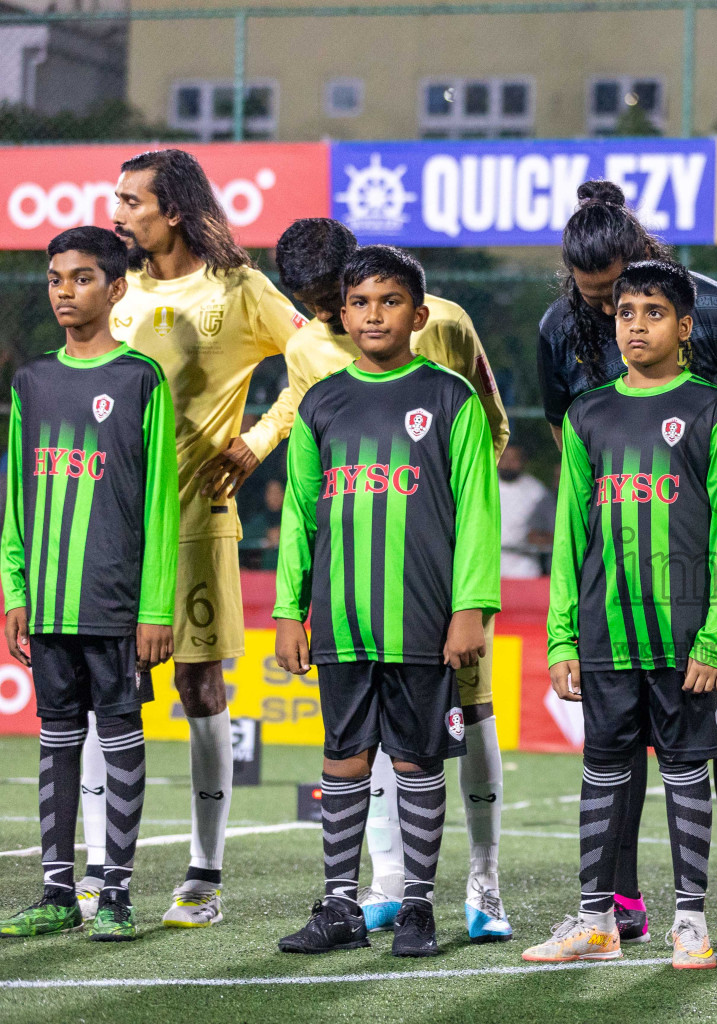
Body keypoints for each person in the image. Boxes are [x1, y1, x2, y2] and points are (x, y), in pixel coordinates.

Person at [247, 217, 514, 942]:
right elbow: (301, 513)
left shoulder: (451, 396)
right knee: (342, 755)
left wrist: (471, 608)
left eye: (388, 302)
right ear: (342, 307)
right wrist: (287, 609)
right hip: (341, 613)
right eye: (359, 301)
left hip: (421, 616)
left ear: (418, 315)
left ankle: (421, 905)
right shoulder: (322, 401)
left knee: (418, 755)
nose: (371, 314)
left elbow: (478, 513)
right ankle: (341, 902)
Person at [538, 182, 717, 952]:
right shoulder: (558, 329)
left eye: (628, 295)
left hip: (703, 564)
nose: (617, 313)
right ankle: (617, 907)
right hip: (617, 576)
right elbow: (572, 447)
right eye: (600, 301)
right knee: (617, 735)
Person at [83, 149, 304, 929]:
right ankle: (99, 871)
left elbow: (314, 362)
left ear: (172, 208)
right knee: (99, 695)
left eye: (130, 200)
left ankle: (204, 876)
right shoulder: (114, 289)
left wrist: (258, 439)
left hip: (195, 523)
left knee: (201, 690)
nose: (117, 212)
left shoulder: (238, 289)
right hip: (106, 528)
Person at [0, 227, 177, 942]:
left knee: (122, 738)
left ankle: (116, 895)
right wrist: (14, 589)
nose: (64, 291)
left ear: (116, 288)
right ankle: (55, 894)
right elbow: (16, 496)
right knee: (56, 740)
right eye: (54, 279)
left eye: (80, 278)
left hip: (114, 602)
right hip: (47, 600)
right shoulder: (32, 381)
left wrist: (155, 605)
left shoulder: (140, 380)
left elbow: (160, 504)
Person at [498, 444, 555, 579]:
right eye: (504, 458)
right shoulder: (483, 485)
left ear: (523, 462)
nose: (508, 463)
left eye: (514, 459)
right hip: (489, 565)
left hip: (525, 568)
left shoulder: (536, 491)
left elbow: (550, 529)